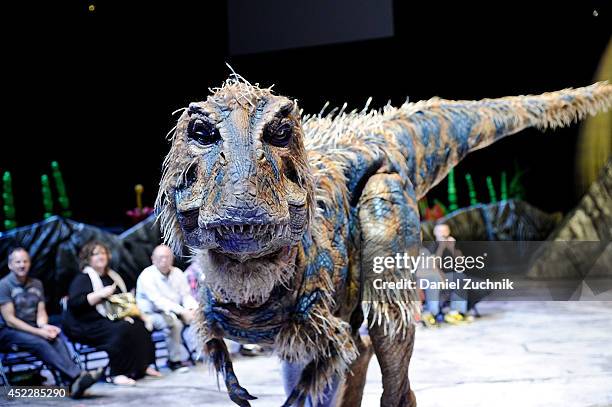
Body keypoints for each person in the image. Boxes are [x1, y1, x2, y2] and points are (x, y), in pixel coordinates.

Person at [0, 247, 102, 398]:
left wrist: (45, 326)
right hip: (9, 332)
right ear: (10, 265)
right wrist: (39, 332)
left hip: (33, 327)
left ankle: (73, 385)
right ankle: (77, 376)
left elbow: (41, 312)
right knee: (40, 342)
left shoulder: (36, 284)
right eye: (18, 262)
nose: (22, 265)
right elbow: (11, 320)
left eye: (25, 261)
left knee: (56, 338)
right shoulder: (4, 285)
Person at [63, 241, 161, 385]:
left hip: (111, 319)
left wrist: (127, 315)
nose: (100, 257)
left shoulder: (112, 276)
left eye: (103, 253)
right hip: (86, 323)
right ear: (88, 259)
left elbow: (121, 302)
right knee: (121, 330)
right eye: (96, 254)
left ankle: (142, 367)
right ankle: (116, 373)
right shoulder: (83, 278)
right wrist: (100, 294)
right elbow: (75, 304)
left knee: (140, 325)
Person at [136, 245, 198, 371]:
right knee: (174, 324)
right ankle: (174, 360)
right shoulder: (147, 275)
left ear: (172, 259)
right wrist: (182, 311)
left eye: (167, 257)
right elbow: (158, 301)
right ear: (153, 259)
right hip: (150, 314)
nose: (164, 260)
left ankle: (207, 353)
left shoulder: (178, 273)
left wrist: (193, 309)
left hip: (174, 311)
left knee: (202, 317)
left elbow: (185, 296)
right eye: (160, 257)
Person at [433, 223, 473, 323]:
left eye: (445, 231)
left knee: (461, 278)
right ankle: (455, 312)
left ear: (449, 232)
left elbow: (461, 262)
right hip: (438, 276)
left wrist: (452, 248)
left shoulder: (453, 244)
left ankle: (456, 312)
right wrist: (441, 247)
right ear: (435, 233)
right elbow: (434, 265)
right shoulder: (432, 245)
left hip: (453, 275)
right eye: (440, 231)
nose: (442, 233)